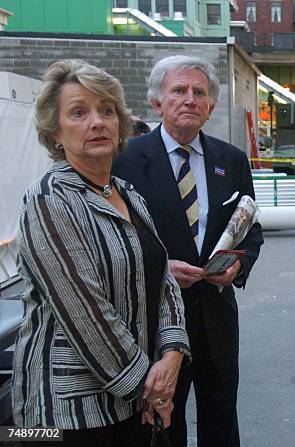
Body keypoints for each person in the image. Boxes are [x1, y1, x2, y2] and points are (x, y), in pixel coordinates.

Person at [13, 59, 190, 445]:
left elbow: (163, 283)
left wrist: (173, 354)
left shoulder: (127, 194)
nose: (97, 122)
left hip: (132, 399)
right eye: (79, 112)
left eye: (106, 110)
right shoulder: (49, 200)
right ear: (55, 131)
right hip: (69, 412)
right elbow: (85, 314)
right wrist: (152, 387)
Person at [113, 55, 264, 447]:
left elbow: (251, 230)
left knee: (221, 420)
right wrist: (159, 270)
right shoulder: (124, 158)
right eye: (179, 90)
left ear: (210, 106)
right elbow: (113, 239)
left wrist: (237, 266)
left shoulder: (230, 160)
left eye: (200, 92)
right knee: (162, 423)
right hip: (154, 323)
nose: (190, 99)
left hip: (216, 318)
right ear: (157, 102)